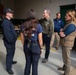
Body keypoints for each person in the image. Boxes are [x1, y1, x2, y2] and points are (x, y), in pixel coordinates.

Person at [20, 9, 43, 75]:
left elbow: (22, 38)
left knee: (28, 63)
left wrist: (24, 45)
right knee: (35, 66)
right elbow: (40, 39)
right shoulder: (38, 25)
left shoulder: (22, 25)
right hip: (35, 45)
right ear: (34, 15)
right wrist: (41, 48)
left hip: (27, 44)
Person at [59, 10, 76, 75]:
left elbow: (63, 34)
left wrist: (61, 32)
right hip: (65, 43)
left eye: (66, 15)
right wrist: (61, 31)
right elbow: (63, 31)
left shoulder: (72, 25)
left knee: (67, 59)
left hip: (67, 44)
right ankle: (64, 68)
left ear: (71, 17)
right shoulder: (68, 23)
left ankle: (67, 73)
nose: (65, 16)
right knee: (64, 57)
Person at [1, 8, 17, 74]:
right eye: (10, 13)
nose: (12, 14)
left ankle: (11, 61)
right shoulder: (5, 22)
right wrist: (12, 40)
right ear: (7, 14)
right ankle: (8, 68)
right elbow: (7, 34)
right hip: (9, 42)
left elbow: (11, 31)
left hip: (12, 42)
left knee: (12, 52)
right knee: (9, 54)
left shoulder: (8, 21)